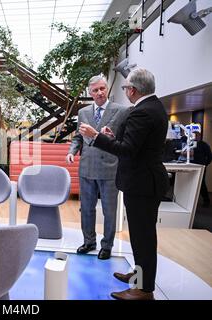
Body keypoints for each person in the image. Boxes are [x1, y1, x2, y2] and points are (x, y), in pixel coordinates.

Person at [79, 68, 169, 300]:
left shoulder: (142, 112)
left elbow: (128, 151)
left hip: (142, 184)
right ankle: (138, 276)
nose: (125, 91)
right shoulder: (153, 107)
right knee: (140, 236)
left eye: (126, 87)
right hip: (144, 182)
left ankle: (143, 290)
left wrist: (96, 136)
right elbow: (134, 145)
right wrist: (112, 137)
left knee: (144, 238)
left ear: (134, 90)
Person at [67, 75, 128, 260]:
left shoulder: (121, 111)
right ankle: (89, 241)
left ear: (107, 89)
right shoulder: (83, 112)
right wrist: (72, 151)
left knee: (109, 210)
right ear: (90, 93)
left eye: (102, 88)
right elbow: (78, 136)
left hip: (110, 168)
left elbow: (124, 139)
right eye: (95, 90)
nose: (100, 92)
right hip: (86, 168)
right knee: (86, 208)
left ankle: (107, 245)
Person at [191, 132, 211, 207]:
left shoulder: (204, 145)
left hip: (201, 166)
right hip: (191, 166)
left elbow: (209, 156)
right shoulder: (190, 144)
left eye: (196, 136)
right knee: (191, 183)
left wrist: (204, 164)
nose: (195, 137)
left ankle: (206, 201)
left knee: (201, 183)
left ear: (200, 136)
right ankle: (191, 201)